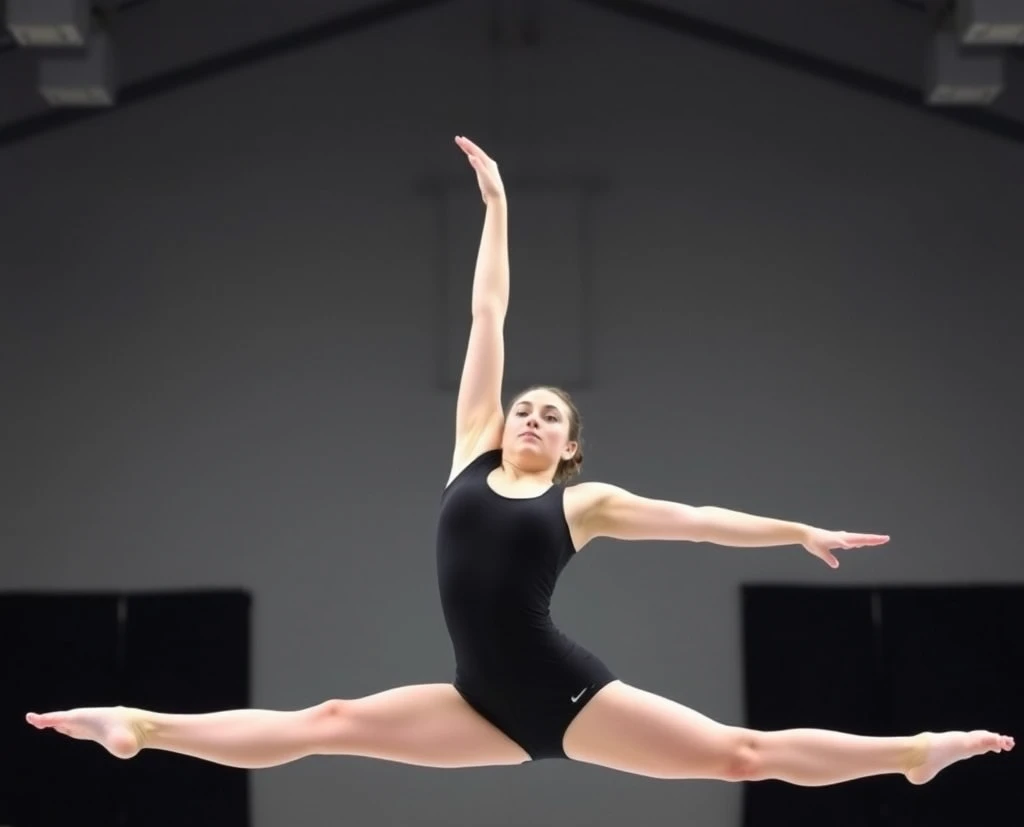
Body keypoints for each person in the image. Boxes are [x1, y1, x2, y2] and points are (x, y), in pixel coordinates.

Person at [26, 136, 1012, 788]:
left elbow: (702, 517)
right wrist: (496, 203)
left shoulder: (585, 505)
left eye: (550, 416)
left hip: (563, 690)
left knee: (740, 754)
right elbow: (486, 313)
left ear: (569, 446)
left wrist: (797, 529)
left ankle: (913, 755)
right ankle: (140, 723)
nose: (531, 417)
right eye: (523, 409)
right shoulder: (468, 451)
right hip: (476, 704)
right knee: (322, 717)